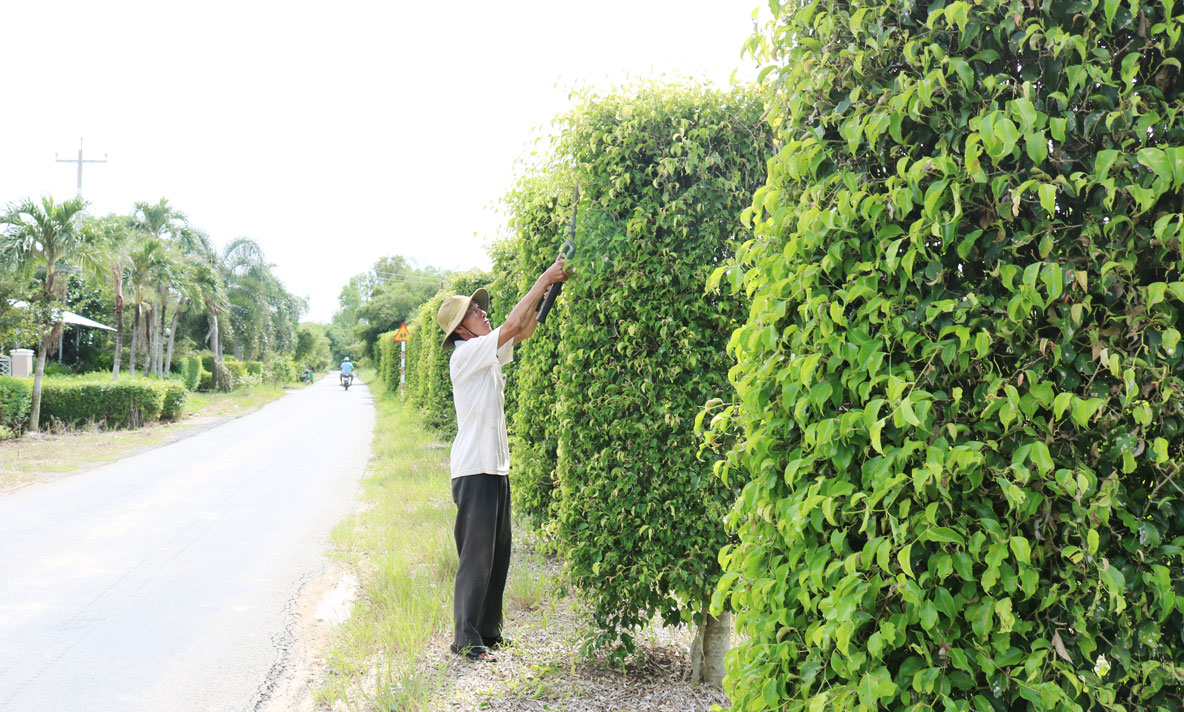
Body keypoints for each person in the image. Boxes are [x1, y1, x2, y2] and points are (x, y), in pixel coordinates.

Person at [436, 256, 569, 661]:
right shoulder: (466, 354)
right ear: (461, 329)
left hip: (494, 466)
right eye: (475, 311)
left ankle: (488, 632)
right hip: (474, 469)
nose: (483, 312)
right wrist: (544, 276)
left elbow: (523, 329)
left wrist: (549, 292)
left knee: (498, 553)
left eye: (480, 307)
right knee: (475, 557)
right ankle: (465, 638)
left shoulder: (486, 352)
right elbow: (512, 325)